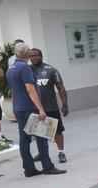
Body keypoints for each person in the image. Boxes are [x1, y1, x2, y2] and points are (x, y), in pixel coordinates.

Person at [6, 42, 64, 178]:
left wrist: (14, 107)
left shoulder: (11, 68)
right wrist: (41, 109)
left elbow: (13, 90)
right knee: (41, 137)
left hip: (19, 108)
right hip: (29, 108)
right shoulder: (25, 68)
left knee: (24, 139)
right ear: (26, 54)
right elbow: (30, 90)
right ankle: (47, 166)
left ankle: (29, 169)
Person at [29, 48, 68, 164]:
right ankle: (42, 153)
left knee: (57, 131)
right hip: (35, 108)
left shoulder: (51, 70)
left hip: (51, 107)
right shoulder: (27, 71)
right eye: (31, 56)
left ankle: (61, 152)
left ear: (41, 56)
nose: (33, 58)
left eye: (36, 55)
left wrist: (64, 104)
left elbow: (61, 88)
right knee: (39, 132)